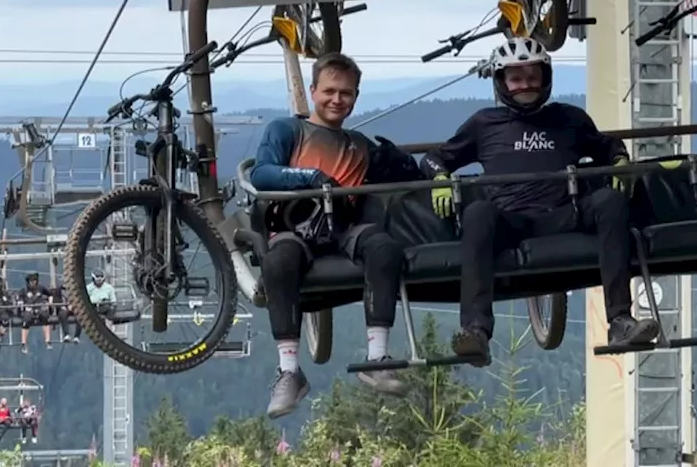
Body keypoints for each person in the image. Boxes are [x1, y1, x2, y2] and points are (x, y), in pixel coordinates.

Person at [420, 37, 661, 366]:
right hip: (511, 221)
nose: (525, 85)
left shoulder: (569, 119)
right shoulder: (484, 123)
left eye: (532, 77)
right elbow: (435, 159)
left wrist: (620, 162)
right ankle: (475, 331)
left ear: (545, 78)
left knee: (609, 201)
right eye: (516, 78)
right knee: (477, 212)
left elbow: (609, 146)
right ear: (502, 82)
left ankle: (620, 321)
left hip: (565, 213)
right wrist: (440, 180)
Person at [248, 52, 417, 419]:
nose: (337, 100)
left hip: (344, 229)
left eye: (346, 93)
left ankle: (378, 359)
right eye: (329, 91)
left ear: (355, 96)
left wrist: (403, 162)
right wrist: (308, 177)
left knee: (385, 249)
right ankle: (289, 372)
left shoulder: (358, 144)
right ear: (313, 91)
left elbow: (400, 174)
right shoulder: (287, 131)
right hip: (295, 227)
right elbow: (262, 174)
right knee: (278, 261)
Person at [17, 273, 55, 353]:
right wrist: (22, 306)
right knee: (26, 321)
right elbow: (19, 300)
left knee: (45, 317)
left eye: (35, 280)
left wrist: (49, 303)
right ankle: (23, 343)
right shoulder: (23, 290)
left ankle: (48, 341)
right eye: (31, 281)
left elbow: (50, 294)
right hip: (28, 309)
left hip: (39, 307)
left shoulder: (41, 288)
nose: (33, 282)